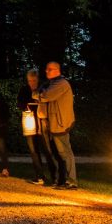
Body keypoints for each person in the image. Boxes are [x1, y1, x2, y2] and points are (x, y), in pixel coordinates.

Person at [36, 61, 77, 189]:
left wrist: (39, 94)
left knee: (65, 152)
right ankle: (64, 180)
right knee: (60, 153)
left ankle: (72, 181)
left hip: (61, 123)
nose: (46, 71)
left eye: (49, 69)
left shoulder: (61, 83)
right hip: (56, 123)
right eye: (46, 69)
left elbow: (46, 96)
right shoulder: (53, 83)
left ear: (57, 70)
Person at [17, 68, 54, 185]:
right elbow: (19, 103)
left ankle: (55, 176)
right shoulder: (24, 90)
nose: (31, 82)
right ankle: (40, 176)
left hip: (42, 123)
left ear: (38, 80)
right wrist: (25, 107)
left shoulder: (43, 89)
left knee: (47, 150)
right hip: (29, 122)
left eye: (33, 80)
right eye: (29, 80)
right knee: (33, 150)